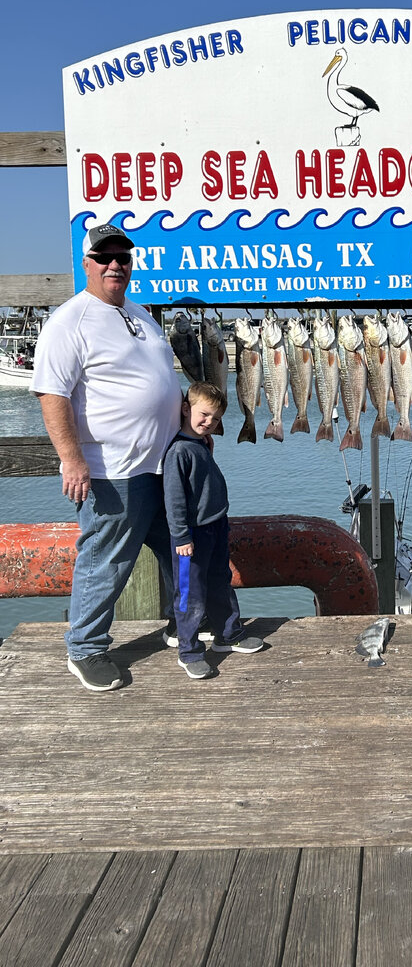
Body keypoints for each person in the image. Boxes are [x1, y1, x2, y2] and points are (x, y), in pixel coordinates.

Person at [32, 223, 182, 692]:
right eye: (104, 257)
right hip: (112, 472)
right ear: (87, 264)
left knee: (179, 547)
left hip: (162, 464)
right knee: (106, 562)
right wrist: (72, 459)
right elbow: (52, 394)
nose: (115, 264)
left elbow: (160, 382)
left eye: (123, 257)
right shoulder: (69, 322)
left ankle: (183, 621)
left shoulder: (139, 313)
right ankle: (85, 647)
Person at [163, 381, 264, 679]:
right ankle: (189, 651)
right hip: (191, 536)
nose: (209, 422)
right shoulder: (178, 451)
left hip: (216, 526)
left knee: (220, 581)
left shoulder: (202, 444)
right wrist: (181, 536)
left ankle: (228, 634)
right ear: (185, 409)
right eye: (204, 415)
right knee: (189, 594)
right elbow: (174, 499)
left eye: (216, 418)